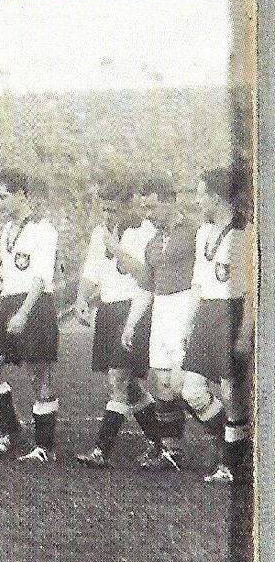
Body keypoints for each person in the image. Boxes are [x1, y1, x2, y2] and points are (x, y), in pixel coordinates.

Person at [74, 182, 160, 467]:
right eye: (105, 209)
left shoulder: (146, 232)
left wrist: (117, 249)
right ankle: (159, 443)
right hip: (109, 311)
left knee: (117, 378)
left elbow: (146, 274)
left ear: (128, 205)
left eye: (114, 209)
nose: (109, 215)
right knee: (130, 385)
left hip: (134, 309)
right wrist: (81, 298)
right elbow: (91, 271)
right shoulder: (100, 232)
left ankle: (101, 450)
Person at [0, 168, 60, 463]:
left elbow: (41, 278)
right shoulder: (7, 230)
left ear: (22, 195)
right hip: (8, 302)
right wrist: (4, 310)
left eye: (3, 197)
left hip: (34, 305)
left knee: (40, 378)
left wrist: (24, 312)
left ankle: (44, 448)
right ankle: (12, 434)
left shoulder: (43, 229)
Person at [179, 166, 253, 482]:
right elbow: (198, 284)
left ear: (216, 197)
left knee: (230, 391)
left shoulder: (244, 233)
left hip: (231, 311)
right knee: (191, 390)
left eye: (200, 193)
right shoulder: (204, 233)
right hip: (207, 313)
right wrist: (187, 324)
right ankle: (239, 445)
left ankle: (230, 463)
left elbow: (251, 291)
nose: (197, 200)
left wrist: (245, 332)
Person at [120, 178, 199, 471]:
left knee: (184, 385)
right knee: (160, 383)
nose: (148, 213)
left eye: (152, 206)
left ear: (171, 201)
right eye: (144, 207)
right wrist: (130, 324)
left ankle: (230, 444)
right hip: (161, 312)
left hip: (185, 307)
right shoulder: (153, 242)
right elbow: (146, 287)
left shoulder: (194, 233)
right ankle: (171, 451)